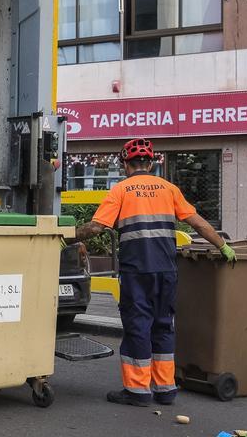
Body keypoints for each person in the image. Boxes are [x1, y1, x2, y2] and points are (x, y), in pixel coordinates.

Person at [71, 138, 235, 408]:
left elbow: (96, 228)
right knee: (162, 326)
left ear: (126, 164)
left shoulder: (121, 190)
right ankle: (165, 389)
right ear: (151, 163)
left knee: (138, 326)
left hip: (138, 272)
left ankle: (137, 391)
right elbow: (198, 222)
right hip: (167, 271)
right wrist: (223, 246)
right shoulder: (169, 189)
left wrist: (66, 237)